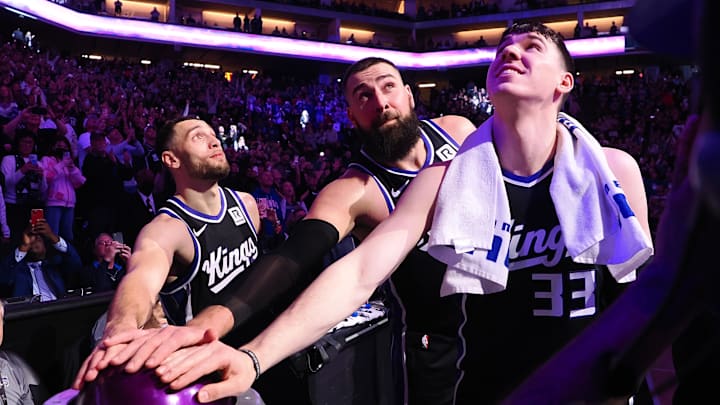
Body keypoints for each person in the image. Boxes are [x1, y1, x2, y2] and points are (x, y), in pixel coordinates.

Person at [145, 23, 652, 404]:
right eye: (362, 95)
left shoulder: (606, 170)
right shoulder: (400, 185)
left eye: (531, 48)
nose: (512, 53)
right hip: (453, 358)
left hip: (583, 378)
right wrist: (246, 349)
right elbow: (344, 269)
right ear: (350, 113)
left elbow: (642, 296)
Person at [73, 57, 476, 405]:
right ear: (351, 115)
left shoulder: (458, 131)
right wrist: (124, 329)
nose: (381, 101)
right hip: (423, 338)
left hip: (509, 303)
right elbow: (288, 260)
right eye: (364, 96)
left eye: (388, 87)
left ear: (409, 94)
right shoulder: (352, 191)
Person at [73, 116, 269, 398]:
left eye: (214, 135)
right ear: (172, 159)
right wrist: (121, 327)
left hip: (263, 351)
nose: (214, 141)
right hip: (212, 375)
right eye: (198, 137)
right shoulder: (166, 229)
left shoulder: (246, 204)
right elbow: (139, 281)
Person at [0, 219, 82, 301]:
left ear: (45, 247)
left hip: (59, 307)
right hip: (30, 311)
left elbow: (76, 263)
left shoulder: (54, 265)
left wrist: (52, 236)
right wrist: (24, 246)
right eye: (32, 238)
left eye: (39, 239)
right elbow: (3, 277)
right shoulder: (17, 270)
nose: (35, 239)